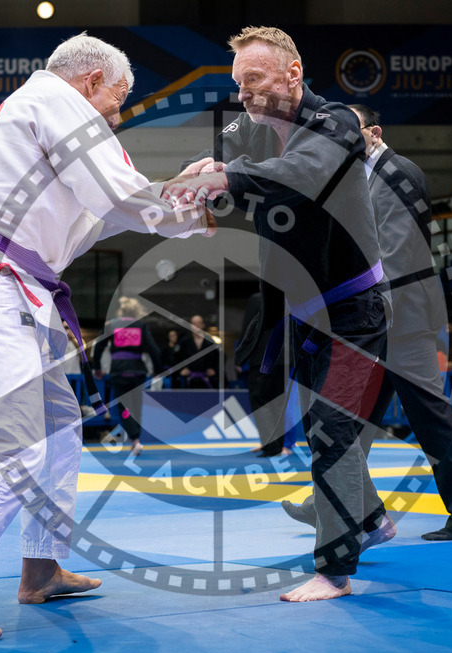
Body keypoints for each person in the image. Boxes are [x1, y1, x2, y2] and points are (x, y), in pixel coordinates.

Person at [0, 33, 215, 643]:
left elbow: (104, 215)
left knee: (59, 426)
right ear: (90, 82)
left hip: (10, 284)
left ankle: (41, 567)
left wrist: (187, 198)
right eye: (116, 103)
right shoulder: (53, 99)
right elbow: (122, 194)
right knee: (14, 446)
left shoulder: (40, 123)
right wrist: (189, 196)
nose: (116, 119)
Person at [164, 26, 405, 602]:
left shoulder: (337, 124)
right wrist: (206, 175)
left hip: (355, 308)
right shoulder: (247, 125)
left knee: (334, 429)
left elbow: (299, 177)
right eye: (237, 83)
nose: (243, 93)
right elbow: (229, 165)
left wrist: (224, 176)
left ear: (293, 75)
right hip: (301, 310)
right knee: (323, 429)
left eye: (254, 80)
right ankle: (370, 520)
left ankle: (335, 570)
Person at [281, 102, 452, 552]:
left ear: (373, 133)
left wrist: (358, 309)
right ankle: (333, 505)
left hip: (401, 317)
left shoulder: (397, 171)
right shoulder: (356, 180)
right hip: (378, 315)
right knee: (347, 424)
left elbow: (396, 252)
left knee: (430, 418)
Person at [92, 296, 161, 457]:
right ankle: (136, 439)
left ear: (121, 311)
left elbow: (99, 347)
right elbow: (154, 350)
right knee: (136, 407)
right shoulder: (141, 326)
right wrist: (157, 369)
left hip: (119, 371)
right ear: (136, 311)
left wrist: (97, 368)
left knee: (124, 408)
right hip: (137, 371)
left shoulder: (112, 325)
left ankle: (134, 439)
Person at [236, 290, 289, 457]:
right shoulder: (289, 300)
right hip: (284, 358)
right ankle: (277, 445)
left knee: (260, 399)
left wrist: (241, 355)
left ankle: (271, 445)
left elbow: (249, 329)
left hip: (262, 357)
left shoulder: (257, 299)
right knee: (277, 402)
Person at [176, 314, 219, 387]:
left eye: (199, 323)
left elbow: (220, 358)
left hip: (207, 379)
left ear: (203, 325)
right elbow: (176, 357)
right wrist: (181, 370)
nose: (197, 325)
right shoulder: (184, 341)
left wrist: (215, 370)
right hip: (188, 379)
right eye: (194, 323)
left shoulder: (210, 341)